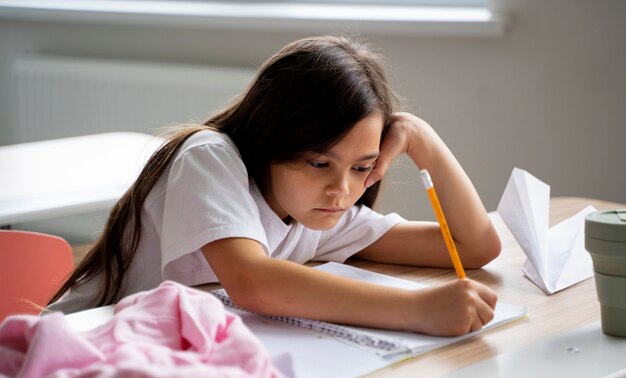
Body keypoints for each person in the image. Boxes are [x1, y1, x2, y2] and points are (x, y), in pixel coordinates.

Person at [48, 35, 501, 337]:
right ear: (271, 138)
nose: (341, 191)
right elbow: (253, 283)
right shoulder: (210, 158)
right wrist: (417, 310)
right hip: (74, 349)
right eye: (318, 162)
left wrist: (422, 139)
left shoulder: (321, 214)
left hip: (157, 357)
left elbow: (473, 247)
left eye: (362, 168)